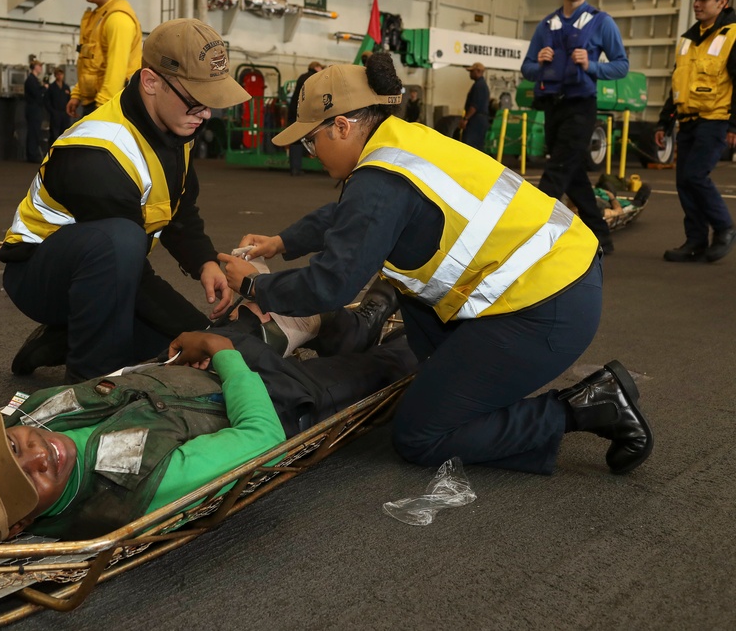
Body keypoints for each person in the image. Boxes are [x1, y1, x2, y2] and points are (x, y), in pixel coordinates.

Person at [217, 53, 653, 478]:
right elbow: (347, 217)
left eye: (311, 141)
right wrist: (281, 242)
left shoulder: (378, 181)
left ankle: (588, 406)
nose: (312, 153)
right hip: (561, 276)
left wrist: (255, 287)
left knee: (419, 435)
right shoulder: (402, 145)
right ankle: (469, 397)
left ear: (343, 125)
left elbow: (333, 284)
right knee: (425, 338)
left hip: (546, 307)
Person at [0, 308, 418, 544]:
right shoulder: (138, 488)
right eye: (30, 477)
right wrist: (224, 356)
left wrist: (183, 353)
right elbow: (261, 437)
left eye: (11, 447)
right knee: (390, 366)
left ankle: (344, 324)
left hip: (183, 374)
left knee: (251, 317)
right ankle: (402, 335)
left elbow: (109, 387)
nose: (39, 451)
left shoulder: (28, 418)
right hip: (273, 399)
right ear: (24, 523)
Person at [1, 18, 251, 383]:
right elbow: (132, 272)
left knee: (175, 346)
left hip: (107, 269)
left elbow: (179, 210)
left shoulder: (176, 122)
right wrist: (203, 331)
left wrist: (204, 263)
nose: (207, 114)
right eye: (198, 102)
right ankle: (87, 384)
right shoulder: (97, 153)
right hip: (39, 275)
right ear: (151, 82)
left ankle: (65, 339)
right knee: (124, 249)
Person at [520, 0, 628, 253]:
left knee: (556, 172)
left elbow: (621, 65)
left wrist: (591, 65)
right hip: (553, 107)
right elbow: (527, 68)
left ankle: (526, 234)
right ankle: (601, 237)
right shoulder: (546, 26)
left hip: (582, 107)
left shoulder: (601, 22)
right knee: (575, 174)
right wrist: (539, 62)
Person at [655, 0, 736, 263]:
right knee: (683, 182)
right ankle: (696, 240)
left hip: (715, 119)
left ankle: (725, 227)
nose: (697, 4)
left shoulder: (733, 36)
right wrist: (664, 122)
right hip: (687, 121)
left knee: (695, 176)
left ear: (722, 2)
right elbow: (677, 84)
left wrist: (734, 124)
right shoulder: (688, 40)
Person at [66, 0, 142, 121]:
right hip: (94, 104)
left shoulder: (118, 19)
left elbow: (116, 71)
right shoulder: (99, 16)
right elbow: (89, 63)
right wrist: (77, 94)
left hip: (110, 107)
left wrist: (101, 113)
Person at [286, 61, 324, 176]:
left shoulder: (303, 77)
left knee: (295, 140)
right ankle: (296, 168)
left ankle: (295, 167)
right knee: (299, 140)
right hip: (302, 114)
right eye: (320, 68)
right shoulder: (314, 78)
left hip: (294, 112)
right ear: (316, 67)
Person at [459, 62, 490, 151]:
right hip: (480, 120)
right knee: (477, 147)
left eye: (472, 71)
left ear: (478, 71)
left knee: (470, 147)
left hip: (476, 121)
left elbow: (474, 106)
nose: (470, 74)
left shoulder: (479, 86)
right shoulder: (482, 85)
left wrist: (465, 119)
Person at [24, 60, 47, 163]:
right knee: (33, 132)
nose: (41, 68)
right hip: (33, 109)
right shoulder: (30, 80)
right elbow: (36, 94)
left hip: (36, 109)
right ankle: (32, 155)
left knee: (36, 131)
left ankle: (33, 154)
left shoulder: (35, 80)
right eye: (39, 66)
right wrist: (44, 88)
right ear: (34, 67)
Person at [45, 68, 73, 143]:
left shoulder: (66, 87)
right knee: (54, 135)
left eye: (61, 74)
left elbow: (69, 99)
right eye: (58, 75)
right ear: (55, 76)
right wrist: (53, 112)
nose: (60, 76)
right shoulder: (51, 87)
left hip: (65, 114)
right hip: (55, 114)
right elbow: (47, 101)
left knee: (64, 134)